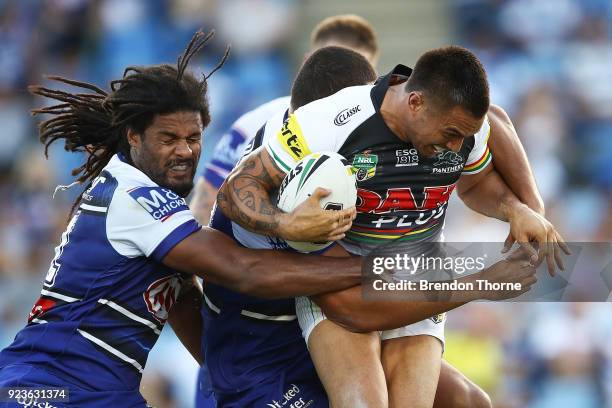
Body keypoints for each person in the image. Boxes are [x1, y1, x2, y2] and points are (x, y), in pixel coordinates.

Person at [0, 31, 364, 408]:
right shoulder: (134, 196)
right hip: (48, 386)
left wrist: (242, 380)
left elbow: (185, 302)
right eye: (168, 138)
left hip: (99, 391)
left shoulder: (139, 199)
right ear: (134, 136)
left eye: (194, 137)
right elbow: (243, 269)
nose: (185, 150)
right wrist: (376, 270)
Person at [218, 45, 568, 408]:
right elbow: (235, 190)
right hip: (340, 278)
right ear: (414, 102)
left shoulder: (464, 130)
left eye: (465, 137)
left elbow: (477, 184)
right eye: (450, 133)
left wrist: (516, 208)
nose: (456, 146)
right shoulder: (327, 122)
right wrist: (286, 224)